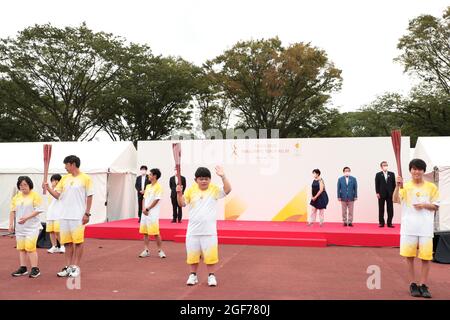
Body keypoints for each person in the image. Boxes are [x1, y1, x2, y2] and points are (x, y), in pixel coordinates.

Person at [177, 166, 231, 287]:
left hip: (209, 231)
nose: (204, 181)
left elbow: (227, 190)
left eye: (206, 179)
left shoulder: (214, 189)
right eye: (201, 179)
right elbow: (181, 204)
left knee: (210, 256)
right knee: (192, 256)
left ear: (210, 179)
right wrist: (178, 193)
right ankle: (193, 275)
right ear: (196, 179)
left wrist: (223, 176)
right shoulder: (190, 190)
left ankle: (211, 276)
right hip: (193, 231)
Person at [393, 159, 440, 298]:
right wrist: (397, 186)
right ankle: (413, 284)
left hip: (425, 227)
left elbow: (436, 205)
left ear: (423, 171)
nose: (416, 171)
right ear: (410, 171)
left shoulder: (431, 187)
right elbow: (395, 200)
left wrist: (424, 205)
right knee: (409, 257)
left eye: (419, 169)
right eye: (414, 169)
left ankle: (423, 285)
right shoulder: (405, 186)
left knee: (425, 258)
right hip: (409, 227)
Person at [44, 155, 94, 278]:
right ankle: (68, 267)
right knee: (67, 243)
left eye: (66, 165)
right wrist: (48, 188)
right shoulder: (64, 179)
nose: (65, 167)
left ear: (72, 164)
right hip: (64, 215)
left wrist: (87, 213)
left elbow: (90, 196)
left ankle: (75, 267)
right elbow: (57, 195)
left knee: (78, 242)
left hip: (78, 216)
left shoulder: (86, 178)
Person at [10, 176, 44, 278]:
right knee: (22, 248)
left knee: (30, 248)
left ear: (29, 185)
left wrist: (26, 218)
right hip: (20, 228)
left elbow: (38, 210)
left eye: (25, 184)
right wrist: (11, 224)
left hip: (32, 227)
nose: (23, 187)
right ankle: (23, 268)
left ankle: (35, 269)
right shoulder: (17, 197)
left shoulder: (35, 196)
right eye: (20, 185)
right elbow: (12, 211)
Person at [138, 168, 166, 259]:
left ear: (155, 176)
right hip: (145, 213)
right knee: (145, 232)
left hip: (152, 213)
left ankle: (160, 250)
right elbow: (144, 198)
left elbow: (156, 200)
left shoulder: (159, 187)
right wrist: (143, 209)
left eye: (150, 174)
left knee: (155, 233)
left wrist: (148, 208)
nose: (148, 176)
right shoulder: (148, 186)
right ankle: (146, 250)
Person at [46, 174, 65, 254]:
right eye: (52, 180)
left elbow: (57, 196)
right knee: (51, 231)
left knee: (58, 231)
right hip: (51, 213)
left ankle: (63, 246)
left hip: (58, 213)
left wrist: (49, 188)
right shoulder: (51, 190)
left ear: (58, 181)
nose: (53, 182)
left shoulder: (61, 189)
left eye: (54, 180)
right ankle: (54, 246)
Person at [375, 161, 396, 227]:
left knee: (390, 209)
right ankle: (381, 223)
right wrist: (377, 192)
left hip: (390, 194)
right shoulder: (378, 174)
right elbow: (377, 184)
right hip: (381, 194)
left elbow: (394, 184)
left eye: (386, 165)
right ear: (381, 167)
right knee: (381, 209)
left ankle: (389, 223)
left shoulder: (392, 174)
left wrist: (394, 193)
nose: (385, 166)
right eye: (384, 165)